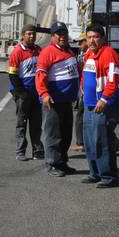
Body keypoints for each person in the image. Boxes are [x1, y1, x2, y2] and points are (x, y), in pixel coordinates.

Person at [35, 22, 80, 177]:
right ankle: (52, 164)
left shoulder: (69, 51)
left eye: (64, 34)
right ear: (52, 36)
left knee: (66, 134)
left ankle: (62, 162)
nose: (62, 37)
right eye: (58, 34)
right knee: (53, 134)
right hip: (53, 102)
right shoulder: (48, 52)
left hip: (66, 101)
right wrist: (44, 94)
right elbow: (40, 75)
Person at [81, 24, 119, 187]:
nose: (92, 40)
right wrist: (83, 92)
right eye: (89, 37)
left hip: (103, 106)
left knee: (103, 142)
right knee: (90, 141)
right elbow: (85, 76)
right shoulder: (89, 54)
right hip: (89, 104)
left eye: (95, 37)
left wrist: (104, 99)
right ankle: (95, 173)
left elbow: (114, 80)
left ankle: (109, 177)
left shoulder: (109, 54)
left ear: (102, 38)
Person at [8, 24, 43, 161]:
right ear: (23, 35)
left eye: (33, 34)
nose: (31, 36)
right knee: (21, 123)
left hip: (36, 94)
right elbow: (12, 74)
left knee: (36, 123)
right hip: (23, 94)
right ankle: (20, 151)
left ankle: (37, 150)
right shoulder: (17, 52)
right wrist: (21, 92)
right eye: (28, 34)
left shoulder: (39, 50)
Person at [72, 33, 89, 152]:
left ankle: (81, 142)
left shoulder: (88, 56)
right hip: (82, 90)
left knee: (80, 117)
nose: (78, 45)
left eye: (80, 42)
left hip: (86, 92)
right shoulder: (81, 55)